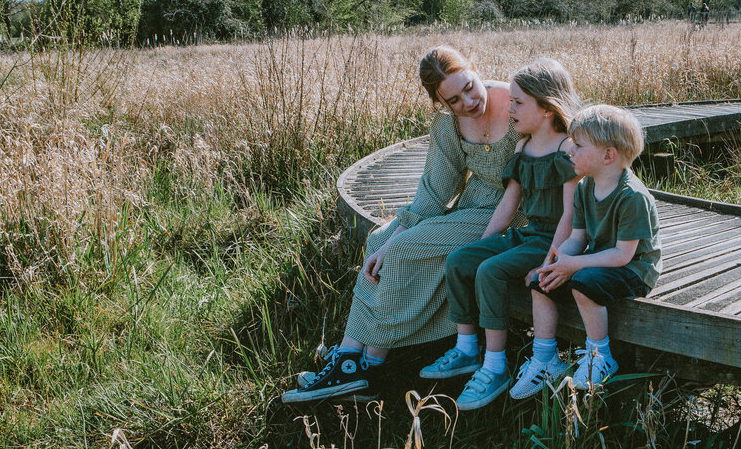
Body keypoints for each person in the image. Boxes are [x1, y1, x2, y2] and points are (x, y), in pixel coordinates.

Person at [282, 46, 518, 403]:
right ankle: (352, 358)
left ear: (474, 67)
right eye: (453, 100)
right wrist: (400, 228)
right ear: (440, 102)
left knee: (403, 247)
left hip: (513, 213)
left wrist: (402, 239)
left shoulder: (517, 104)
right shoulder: (448, 124)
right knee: (380, 239)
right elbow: (435, 189)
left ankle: (366, 364)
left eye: (469, 86)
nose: (468, 101)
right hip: (473, 208)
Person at [421, 58, 581, 410]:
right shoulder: (523, 148)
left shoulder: (568, 150)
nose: (511, 108)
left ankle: (495, 366)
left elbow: (571, 214)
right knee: (462, 260)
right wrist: (485, 245)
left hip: (552, 240)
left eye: (519, 102)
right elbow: (509, 204)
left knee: (490, 271)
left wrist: (550, 260)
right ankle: (466, 349)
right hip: (527, 233)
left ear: (547, 107)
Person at [520, 104, 662, 394]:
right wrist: (557, 262)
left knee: (585, 283)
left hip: (634, 269)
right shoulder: (585, 187)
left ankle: (600, 356)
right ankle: (545, 357)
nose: (569, 152)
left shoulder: (631, 196)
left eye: (578, 146)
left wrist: (575, 265)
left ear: (608, 155)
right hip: (600, 260)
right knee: (540, 282)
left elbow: (623, 255)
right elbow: (576, 236)